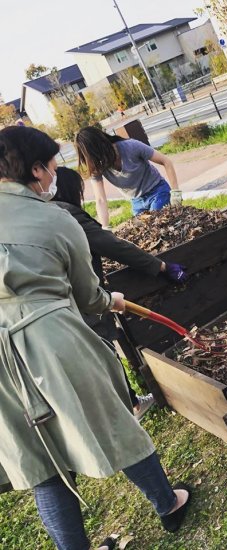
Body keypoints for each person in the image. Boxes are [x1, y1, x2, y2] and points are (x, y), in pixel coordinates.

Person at [0, 126, 191, 550]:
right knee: (113, 422)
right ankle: (168, 503)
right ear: (34, 170)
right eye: (51, 168)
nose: (54, 177)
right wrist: (112, 299)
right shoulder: (53, 217)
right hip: (49, 339)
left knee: (42, 462)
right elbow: (88, 297)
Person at [52, 166, 187, 420]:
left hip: (60, 304)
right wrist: (162, 266)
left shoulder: (40, 215)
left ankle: (128, 403)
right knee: (102, 349)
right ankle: (128, 409)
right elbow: (115, 247)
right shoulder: (68, 217)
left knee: (93, 353)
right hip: (82, 301)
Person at [75, 126, 183, 229]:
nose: (99, 161)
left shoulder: (131, 147)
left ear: (102, 145)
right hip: (136, 201)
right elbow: (100, 199)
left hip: (157, 192)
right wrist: (105, 227)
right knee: (142, 232)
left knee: (156, 224)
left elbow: (166, 161)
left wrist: (176, 192)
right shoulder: (96, 165)